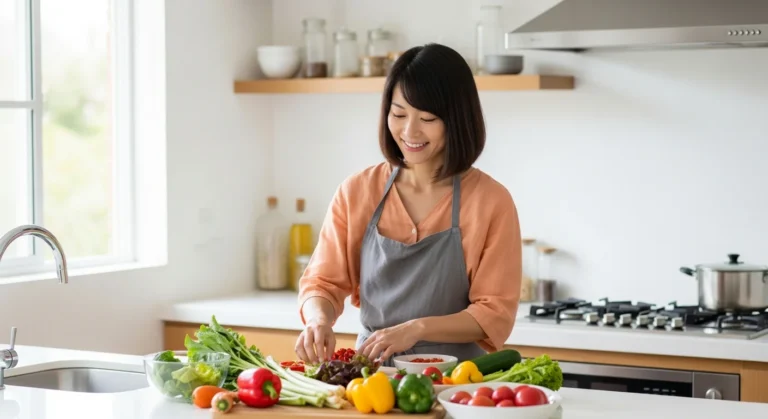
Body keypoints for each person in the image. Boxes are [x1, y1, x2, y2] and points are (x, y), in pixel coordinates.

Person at [294, 43, 522, 366]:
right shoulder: (357, 191)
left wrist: (416, 329)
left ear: (456, 119)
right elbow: (322, 283)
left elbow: (494, 313)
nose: (409, 131)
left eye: (427, 118)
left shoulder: (491, 202)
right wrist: (319, 319)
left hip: (457, 382)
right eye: (399, 114)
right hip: (373, 381)